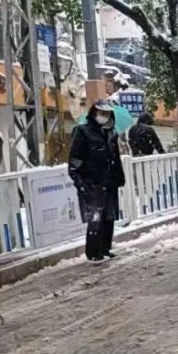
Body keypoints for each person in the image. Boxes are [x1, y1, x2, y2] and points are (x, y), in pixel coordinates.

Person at [68, 100, 126, 263]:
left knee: (109, 216)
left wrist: (119, 177)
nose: (104, 117)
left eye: (107, 114)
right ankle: (93, 252)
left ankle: (105, 248)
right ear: (94, 113)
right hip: (92, 182)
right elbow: (76, 157)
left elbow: (116, 157)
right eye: (101, 113)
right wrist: (78, 179)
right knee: (95, 217)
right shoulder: (82, 131)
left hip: (110, 181)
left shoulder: (111, 133)